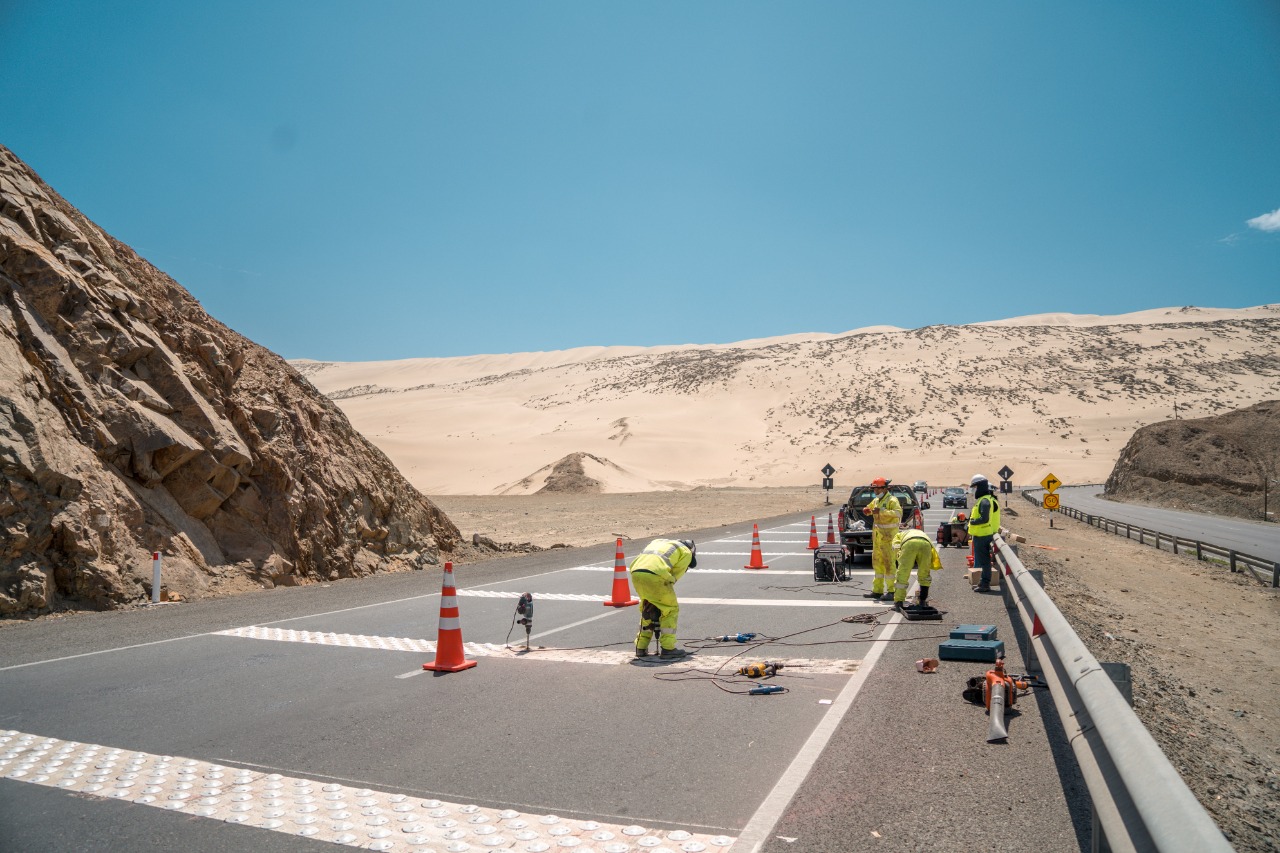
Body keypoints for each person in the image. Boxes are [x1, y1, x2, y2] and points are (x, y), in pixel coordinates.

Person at [630, 537, 697, 658]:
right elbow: (673, 577)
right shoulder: (686, 552)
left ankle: (640, 647)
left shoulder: (658, 542)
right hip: (656, 574)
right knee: (670, 609)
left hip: (636, 572)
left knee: (648, 607)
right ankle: (668, 648)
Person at [859, 477, 902, 602]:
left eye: (876, 489)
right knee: (877, 564)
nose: (875, 491)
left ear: (884, 488)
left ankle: (891, 591)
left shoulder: (892, 500)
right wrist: (867, 510)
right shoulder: (877, 500)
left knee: (889, 564)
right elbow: (870, 508)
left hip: (889, 538)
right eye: (874, 489)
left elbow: (898, 513)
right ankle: (877, 590)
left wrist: (882, 511)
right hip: (878, 538)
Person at [891, 528, 942, 609]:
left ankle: (898, 603)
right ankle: (922, 601)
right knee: (925, 574)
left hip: (909, 544)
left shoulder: (898, 535)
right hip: (925, 544)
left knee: (902, 575)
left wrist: (901, 560)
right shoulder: (919, 532)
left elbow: (896, 548)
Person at [967, 475, 1001, 592]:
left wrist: (972, 521)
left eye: (975, 487)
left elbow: (984, 518)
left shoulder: (985, 501)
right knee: (984, 560)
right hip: (981, 534)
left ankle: (985, 584)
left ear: (980, 487)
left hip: (982, 535)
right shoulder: (984, 499)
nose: (974, 490)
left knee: (984, 561)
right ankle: (983, 582)